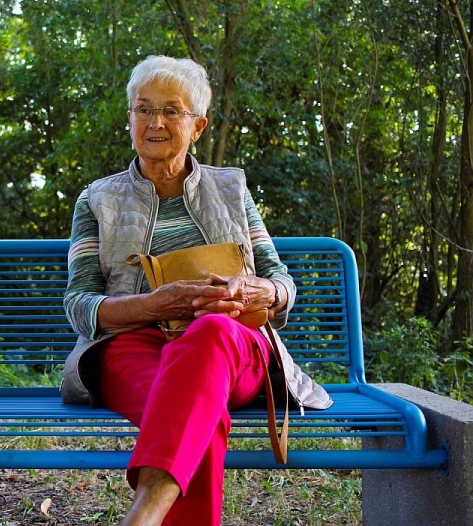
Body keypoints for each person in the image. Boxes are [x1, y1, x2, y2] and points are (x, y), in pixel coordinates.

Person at [60, 55, 333, 526]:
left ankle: (143, 515)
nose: (155, 122)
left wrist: (258, 291)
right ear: (130, 117)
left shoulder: (232, 189)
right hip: (132, 344)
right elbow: (79, 304)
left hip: (231, 344)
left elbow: (282, 281)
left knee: (210, 334)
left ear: (198, 126)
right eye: (144, 109)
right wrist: (152, 305)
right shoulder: (97, 199)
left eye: (171, 111)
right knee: (194, 414)